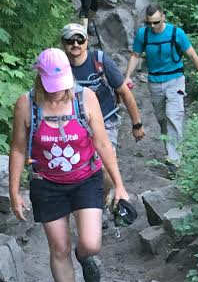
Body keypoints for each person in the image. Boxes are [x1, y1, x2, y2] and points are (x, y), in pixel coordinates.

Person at [8, 48, 128, 282]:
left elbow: (102, 142)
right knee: (59, 248)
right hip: (46, 183)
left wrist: (119, 185)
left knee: (91, 243)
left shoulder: (85, 99)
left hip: (86, 177)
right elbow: (19, 149)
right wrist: (13, 191)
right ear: (40, 78)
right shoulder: (26, 104)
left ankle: (84, 257)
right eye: (52, 85)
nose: (58, 91)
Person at [60, 22, 144, 210]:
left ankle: (105, 202)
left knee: (103, 165)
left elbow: (124, 91)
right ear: (63, 43)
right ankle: (84, 204)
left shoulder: (99, 61)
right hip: (74, 123)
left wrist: (137, 124)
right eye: (70, 40)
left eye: (79, 39)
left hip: (106, 120)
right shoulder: (59, 65)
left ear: (86, 41)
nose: (75, 44)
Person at [124, 3, 198, 177]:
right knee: (162, 119)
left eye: (156, 22)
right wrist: (127, 76)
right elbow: (135, 55)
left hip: (175, 80)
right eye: (149, 23)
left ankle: (174, 161)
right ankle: (172, 150)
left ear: (163, 17)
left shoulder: (176, 33)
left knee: (173, 116)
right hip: (155, 82)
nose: (153, 26)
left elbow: (192, 54)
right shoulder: (144, 34)